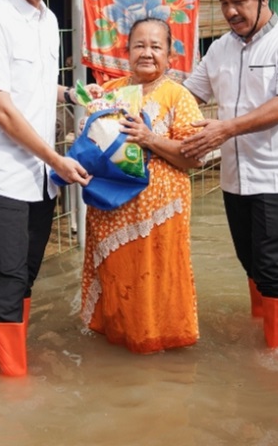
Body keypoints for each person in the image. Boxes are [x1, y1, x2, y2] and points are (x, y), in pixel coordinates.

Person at [0, 0, 92, 376]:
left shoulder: (47, 19)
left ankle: (8, 363)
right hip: (4, 177)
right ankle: (11, 386)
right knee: (4, 283)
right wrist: (57, 158)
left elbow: (35, 88)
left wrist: (75, 95)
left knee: (24, 278)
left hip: (41, 177)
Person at [180, 0, 278, 350]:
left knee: (274, 265)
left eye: (238, 1)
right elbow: (190, 94)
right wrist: (143, 104)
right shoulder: (220, 49)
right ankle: (261, 329)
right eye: (224, 4)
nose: (230, 12)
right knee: (249, 260)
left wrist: (225, 128)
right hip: (234, 176)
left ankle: (277, 355)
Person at [81, 18, 205, 353]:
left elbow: (193, 159)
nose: (147, 53)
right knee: (117, 277)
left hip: (160, 217)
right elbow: (89, 145)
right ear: (126, 51)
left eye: (155, 46)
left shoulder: (179, 97)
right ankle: (118, 343)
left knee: (157, 279)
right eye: (139, 45)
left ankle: (156, 342)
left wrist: (149, 138)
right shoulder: (111, 93)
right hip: (111, 212)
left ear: (170, 56)